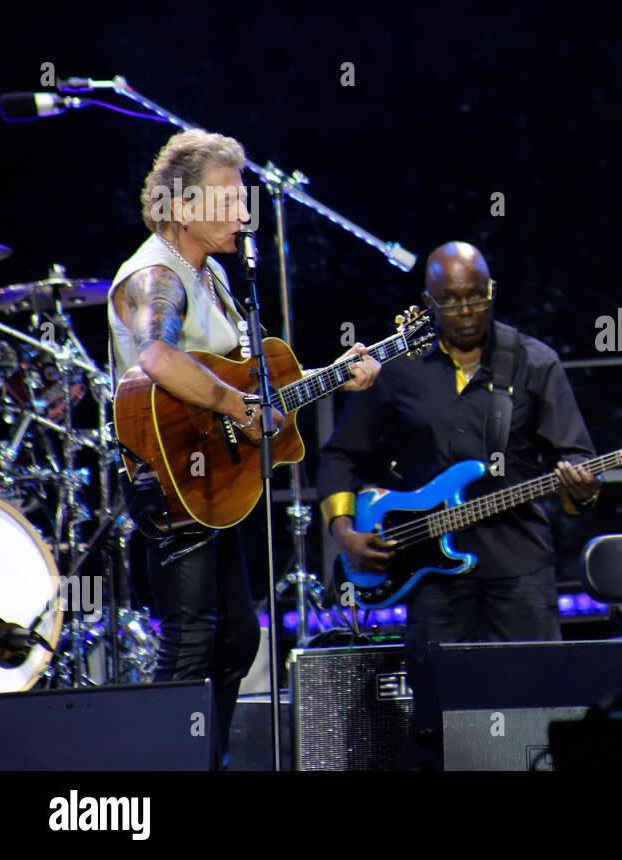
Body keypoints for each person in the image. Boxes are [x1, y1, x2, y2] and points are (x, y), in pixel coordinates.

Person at [108, 128, 379, 766]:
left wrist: (337, 373)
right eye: (227, 200)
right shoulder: (157, 277)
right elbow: (157, 355)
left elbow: (246, 380)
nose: (243, 213)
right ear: (180, 207)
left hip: (214, 482)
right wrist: (236, 406)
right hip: (172, 478)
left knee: (233, 641)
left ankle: (209, 762)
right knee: (192, 644)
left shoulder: (213, 275)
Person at [317, 241, 599, 646]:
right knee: (442, 704)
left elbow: (575, 455)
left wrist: (582, 492)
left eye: (475, 297)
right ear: (428, 302)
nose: (465, 311)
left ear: (492, 289)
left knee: (533, 700)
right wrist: (344, 533)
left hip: (519, 569)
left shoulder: (535, 363)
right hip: (429, 577)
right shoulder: (398, 372)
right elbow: (343, 454)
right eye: (449, 301)